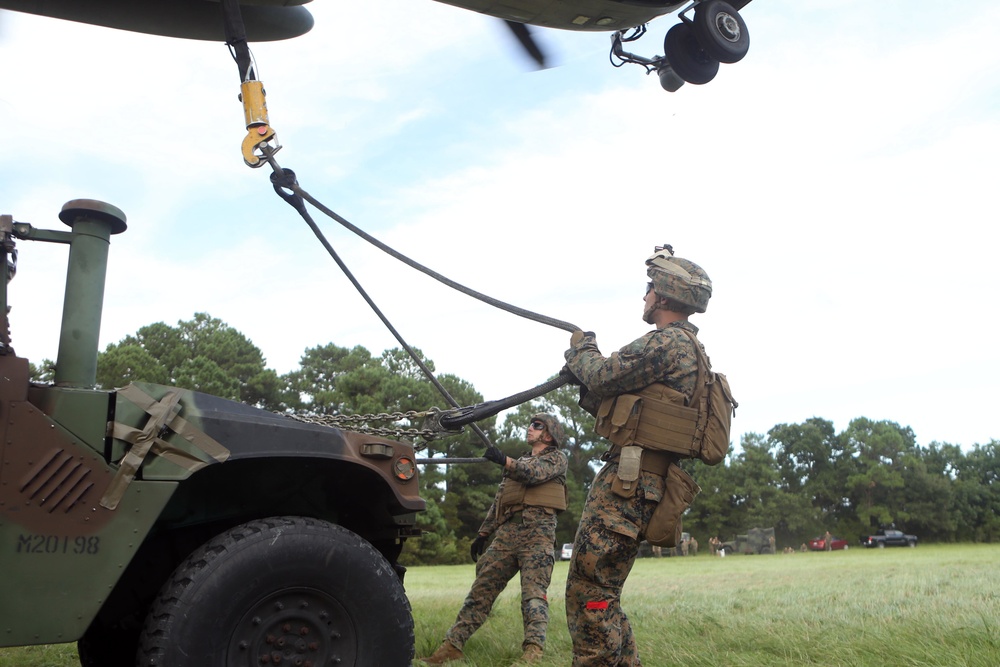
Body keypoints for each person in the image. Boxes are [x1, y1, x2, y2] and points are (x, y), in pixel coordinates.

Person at [562, 245, 714, 666]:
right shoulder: (690, 351)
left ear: (663, 297)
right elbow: (616, 397)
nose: (644, 296)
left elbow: (602, 373)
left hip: (628, 486)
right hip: (645, 484)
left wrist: (581, 349)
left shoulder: (666, 343)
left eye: (649, 288)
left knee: (589, 597)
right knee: (603, 595)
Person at [420, 414, 570, 665]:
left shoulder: (556, 459)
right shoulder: (518, 462)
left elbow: (533, 473)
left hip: (538, 536)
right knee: (481, 590)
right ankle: (452, 646)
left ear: (549, 434)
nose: (529, 428)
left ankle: (533, 652)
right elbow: (500, 501)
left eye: (536, 426)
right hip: (507, 536)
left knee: (533, 596)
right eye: (530, 424)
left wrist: (505, 460)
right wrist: (483, 533)